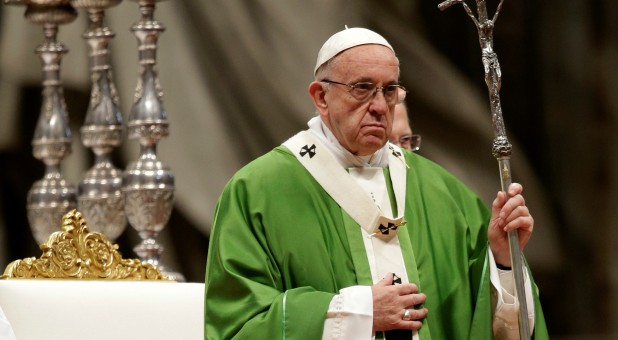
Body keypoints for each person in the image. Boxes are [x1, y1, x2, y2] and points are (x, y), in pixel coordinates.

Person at [204, 27, 548, 339]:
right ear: (321, 97)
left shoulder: (445, 193)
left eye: (390, 90)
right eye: (363, 88)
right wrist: (357, 313)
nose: (380, 106)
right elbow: (239, 326)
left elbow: (495, 328)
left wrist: (503, 262)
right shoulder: (259, 191)